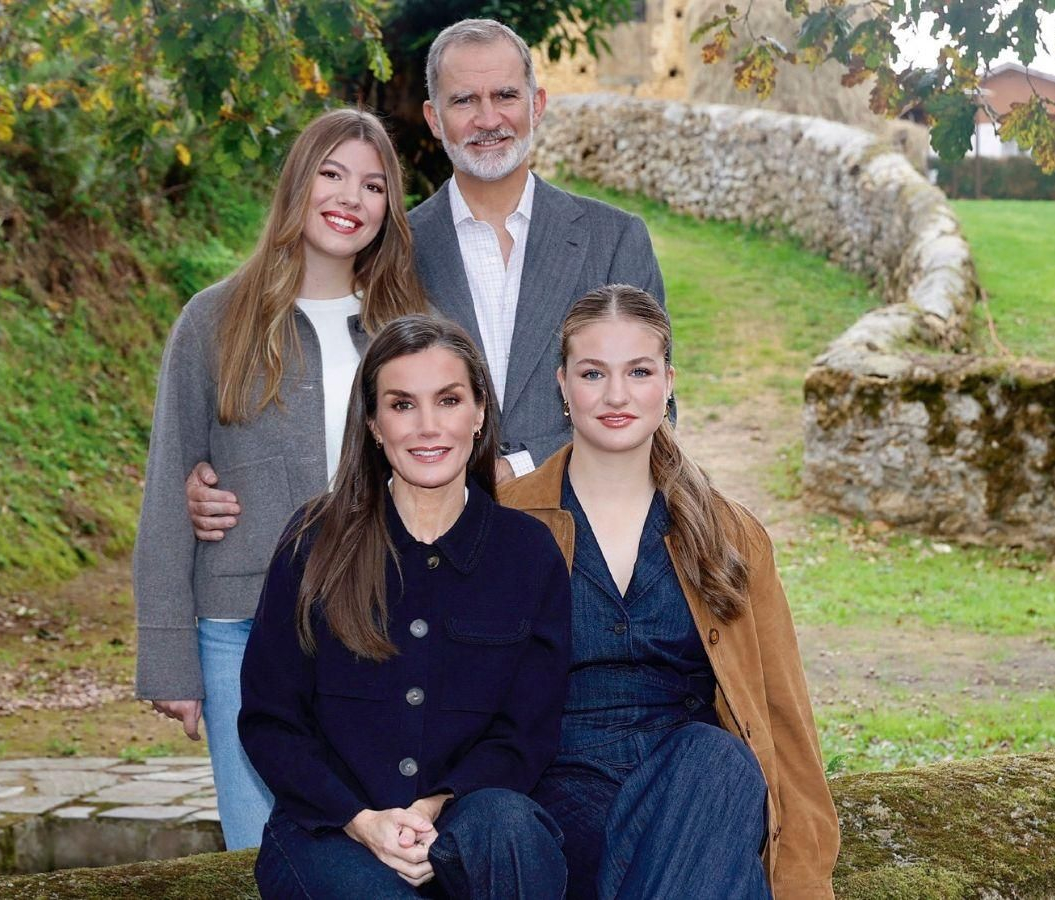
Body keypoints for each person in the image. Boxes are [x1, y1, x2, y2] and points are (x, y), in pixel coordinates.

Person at [184, 17, 667, 538]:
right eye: (463, 101)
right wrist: (222, 471)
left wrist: (523, 470)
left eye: (505, 95)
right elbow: (332, 374)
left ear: (537, 104)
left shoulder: (615, 239)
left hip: (585, 536)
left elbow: (657, 407)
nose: (488, 119)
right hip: (429, 553)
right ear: (434, 118)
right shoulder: (390, 250)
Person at [132, 108, 429, 851]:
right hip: (243, 630)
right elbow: (171, 489)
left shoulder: (411, 328)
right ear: (297, 184)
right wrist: (170, 659)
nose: (349, 198)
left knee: (377, 854)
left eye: (372, 185)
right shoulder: (213, 321)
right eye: (331, 174)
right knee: (261, 853)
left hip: (383, 622)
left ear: (389, 208)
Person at [498, 285, 840, 899]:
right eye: (593, 372)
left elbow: (785, 720)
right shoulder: (506, 522)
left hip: (694, 795)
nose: (617, 395)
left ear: (669, 381)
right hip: (561, 795)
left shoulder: (729, 534)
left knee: (717, 759)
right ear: (563, 385)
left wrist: (807, 880)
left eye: (638, 371)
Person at [240, 314, 571, 899]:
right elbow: (272, 720)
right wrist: (364, 822)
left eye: (448, 400)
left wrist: (435, 808)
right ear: (372, 423)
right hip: (329, 830)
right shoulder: (313, 540)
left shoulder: (527, 552)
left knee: (511, 826)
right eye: (401, 405)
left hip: (469, 822)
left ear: (479, 414)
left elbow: (527, 732)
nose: (427, 427)